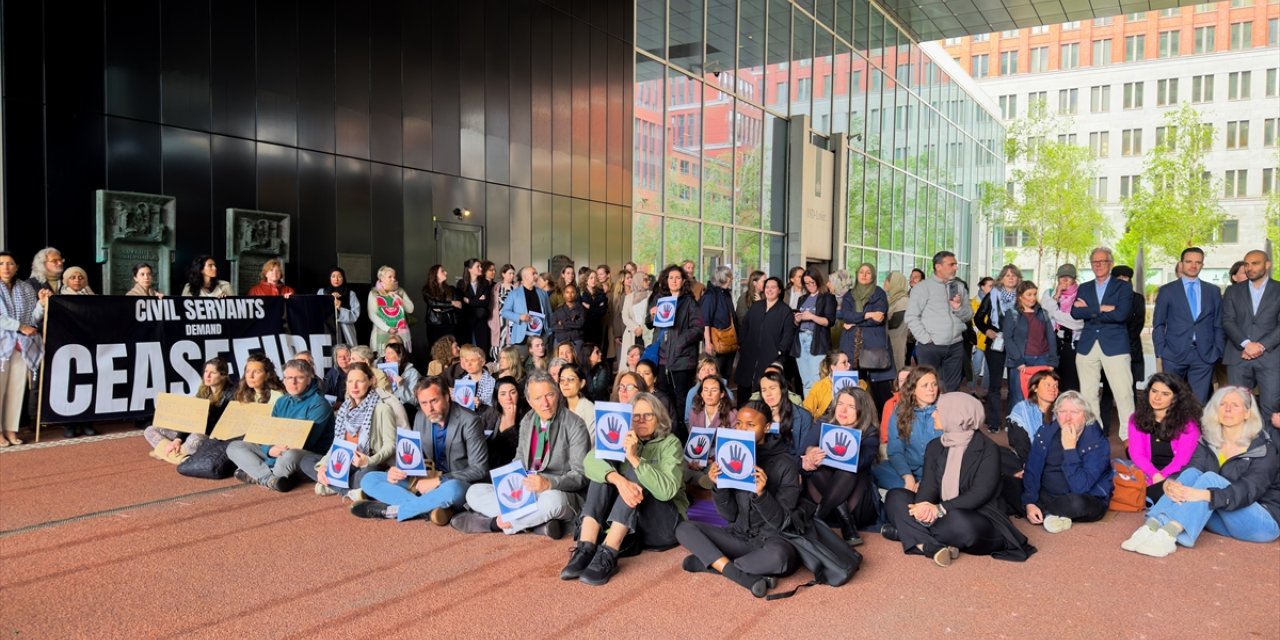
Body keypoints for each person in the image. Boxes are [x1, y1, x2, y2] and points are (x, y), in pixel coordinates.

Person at [1122, 386, 1280, 557]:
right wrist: (1171, 483)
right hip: (1220, 513)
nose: (1227, 409)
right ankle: (1151, 526)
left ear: (1247, 413)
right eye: (1222, 404)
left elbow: (1248, 491)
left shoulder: (1264, 448)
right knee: (1191, 474)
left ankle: (1169, 533)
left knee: (1210, 478)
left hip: (1261, 522)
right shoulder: (1208, 441)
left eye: (1235, 405)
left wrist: (1204, 495)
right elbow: (1191, 470)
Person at [883, 392, 1036, 566]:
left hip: (977, 515)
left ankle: (907, 533)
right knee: (895, 496)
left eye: (938, 411)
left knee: (960, 524)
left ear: (957, 416)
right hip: (940, 511)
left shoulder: (988, 449)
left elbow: (980, 493)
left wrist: (939, 509)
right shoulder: (935, 445)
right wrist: (923, 506)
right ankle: (927, 545)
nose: (933, 414)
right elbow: (929, 485)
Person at [560, 392, 687, 585]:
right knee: (603, 473)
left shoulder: (671, 443)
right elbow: (589, 461)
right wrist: (618, 480)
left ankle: (609, 552)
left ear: (659, 418)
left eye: (648, 415)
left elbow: (666, 491)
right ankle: (586, 547)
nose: (641, 420)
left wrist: (635, 459)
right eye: (636, 416)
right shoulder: (621, 436)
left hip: (663, 524)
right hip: (632, 525)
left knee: (639, 472)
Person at [674, 404, 798, 598]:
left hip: (771, 541)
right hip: (738, 536)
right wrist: (718, 485)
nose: (742, 430)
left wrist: (762, 494)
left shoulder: (786, 464)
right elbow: (729, 515)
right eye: (739, 423)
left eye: (750, 425)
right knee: (684, 529)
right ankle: (738, 574)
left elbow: (782, 522)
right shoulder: (729, 455)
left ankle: (713, 563)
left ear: (766, 428)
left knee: (781, 558)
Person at [453, 370, 590, 538]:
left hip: (558, 491)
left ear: (558, 394)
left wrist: (549, 483)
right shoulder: (528, 420)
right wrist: (507, 482)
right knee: (474, 492)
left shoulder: (575, 424)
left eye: (549, 395)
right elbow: (519, 461)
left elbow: (580, 475)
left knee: (554, 502)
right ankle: (536, 524)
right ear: (530, 401)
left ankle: (496, 524)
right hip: (527, 490)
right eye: (538, 398)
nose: (545, 403)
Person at [354, 376, 489, 525]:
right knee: (370, 479)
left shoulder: (470, 421)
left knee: (453, 489)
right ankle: (430, 509)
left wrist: (439, 481)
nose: (429, 408)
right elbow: (416, 457)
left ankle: (394, 511)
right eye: (424, 403)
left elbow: (479, 469)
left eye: (434, 401)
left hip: (454, 482)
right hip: (424, 480)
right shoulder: (420, 417)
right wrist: (399, 469)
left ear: (447, 397)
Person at [226, 359, 335, 492]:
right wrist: (269, 450)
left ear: (309, 379)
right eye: (288, 378)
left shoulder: (319, 404)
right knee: (235, 446)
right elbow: (270, 434)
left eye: (299, 378)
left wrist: (274, 453)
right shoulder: (281, 401)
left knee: (290, 455)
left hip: (304, 452)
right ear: (283, 380)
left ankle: (260, 475)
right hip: (278, 450)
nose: (293, 382)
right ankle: (270, 479)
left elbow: (307, 442)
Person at [1020, 390, 1114, 533]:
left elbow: (1081, 486)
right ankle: (1046, 513)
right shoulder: (1045, 432)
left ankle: (1046, 512)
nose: (1068, 417)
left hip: (1084, 497)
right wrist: (1029, 502)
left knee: (1076, 503)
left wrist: (1070, 449)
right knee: (1006, 484)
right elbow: (1033, 469)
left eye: (1075, 412)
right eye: (1062, 411)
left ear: (1085, 416)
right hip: (1047, 494)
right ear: (1056, 415)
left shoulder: (1097, 442)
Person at [802, 387, 880, 545]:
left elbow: (861, 462)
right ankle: (846, 522)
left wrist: (845, 437)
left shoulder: (870, 433)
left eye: (851, 407)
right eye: (840, 404)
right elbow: (799, 456)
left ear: (862, 410)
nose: (843, 410)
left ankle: (817, 519)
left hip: (857, 506)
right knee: (818, 469)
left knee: (848, 468)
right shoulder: (823, 423)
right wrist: (810, 454)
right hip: (823, 499)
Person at [1070, 247, 1134, 436]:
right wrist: (1102, 309)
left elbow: (1122, 314)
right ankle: (1093, 434)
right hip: (1087, 346)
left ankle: (1128, 437)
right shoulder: (1084, 287)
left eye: (1102, 261)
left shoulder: (1123, 286)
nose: (1098, 265)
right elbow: (1075, 312)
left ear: (1110, 263)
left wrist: (1089, 310)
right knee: (1088, 395)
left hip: (1115, 345)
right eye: (1094, 262)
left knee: (1123, 394)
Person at [307, 362, 396, 497]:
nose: (354, 386)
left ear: (371, 381)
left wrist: (368, 461)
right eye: (350, 381)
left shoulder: (382, 409)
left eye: (359, 381)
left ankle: (335, 485)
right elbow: (336, 445)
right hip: (344, 460)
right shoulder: (344, 409)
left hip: (368, 462)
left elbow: (391, 445)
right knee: (306, 461)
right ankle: (348, 490)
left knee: (367, 475)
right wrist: (323, 466)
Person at [1152, 249, 1222, 404]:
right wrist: (1161, 351)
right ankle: (1172, 429)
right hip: (1173, 355)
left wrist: (1217, 351)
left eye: (1198, 262)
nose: (1193, 265)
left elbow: (1218, 324)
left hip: (1204, 356)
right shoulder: (1167, 291)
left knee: (1198, 403)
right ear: (1181, 263)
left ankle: (1193, 429)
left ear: (1202, 265)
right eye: (1189, 261)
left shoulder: (1213, 291)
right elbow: (1158, 324)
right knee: (1171, 401)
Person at [645, 265, 704, 434]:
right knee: (664, 399)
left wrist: (680, 340)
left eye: (678, 278)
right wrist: (652, 315)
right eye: (671, 278)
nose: (674, 281)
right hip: (662, 358)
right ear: (666, 280)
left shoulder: (690, 302)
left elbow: (698, 329)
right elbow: (649, 324)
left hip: (682, 360)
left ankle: (682, 437)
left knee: (681, 401)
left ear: (684, 280)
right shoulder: (659, 298)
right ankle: (666, 434)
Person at [1221, 249, 1279, 421]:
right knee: (1238, 407)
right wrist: (1247, 344)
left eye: (1255, 263)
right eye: (1246, 264)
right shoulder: (1232, 291)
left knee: (1271, 407)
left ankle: (1271, 447)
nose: (1249, 268)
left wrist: (1260, 346)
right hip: (1239, 357)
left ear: (1267, 265)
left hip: (1271, 357)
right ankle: (1242, 447)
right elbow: (1227, 321)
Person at [1127, 372, 1203, 503]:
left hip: (1177, 473)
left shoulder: (1188, 424)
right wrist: (1154, 475)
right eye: (1154, 391)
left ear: (1175, 398)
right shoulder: (1136, 419)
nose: (1157, 397)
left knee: (1153, 495)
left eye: (1165, 394)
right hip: (1147, 472)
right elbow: (1137, 454)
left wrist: (1161, 477)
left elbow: (1182, 461)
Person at [905, 251, 972, 392]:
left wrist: (958, 308)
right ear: (938, 267)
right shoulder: (922, 287)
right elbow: (911, 316)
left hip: (955, 345)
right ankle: (929, 414)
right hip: (930, 347)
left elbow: (968, 316)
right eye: (951, 264)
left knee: (952, 389)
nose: (955, 268)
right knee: (928, 387)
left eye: (956, 264)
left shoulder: (958, 287)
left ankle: (947, 414)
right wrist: (926, 339)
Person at [143, 358, 234, 460]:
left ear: (223, 375)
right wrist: (178, 439)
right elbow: (190, 421)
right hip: (192, 429)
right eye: (206, 371)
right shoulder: (203, 391)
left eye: (212, 373)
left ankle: (167, 453)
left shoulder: (231, 394)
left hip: (209, 435)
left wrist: (208, 412)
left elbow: (221, 426)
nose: (207, 376)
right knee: (150, 430)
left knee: (194, 440)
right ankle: (176, 454)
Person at [873, 366, 942, 492]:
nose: (931, 389)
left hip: (938, 472)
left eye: (934, 384)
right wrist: (908, 477)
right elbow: (895, 450)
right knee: (875, 469)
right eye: (925, 385)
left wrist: (926, 482)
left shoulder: (944, 410)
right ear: (913, 389)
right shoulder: (899, 412)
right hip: (907, 469)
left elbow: (949, 454)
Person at [841, 263, 895, 411]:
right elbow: (845, 315)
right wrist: (867, 314)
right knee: (852, 390)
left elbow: (878, 319)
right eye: (861, 272)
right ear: (857, 275)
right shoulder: (849, 295)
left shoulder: (879, 293)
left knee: (881, 392)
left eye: (868, 273)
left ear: (873, 276)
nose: (864, 275)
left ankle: (883, 424)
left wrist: (854, 322)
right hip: (851, 347)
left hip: (874, 347)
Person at [974, 265, 1021, 432]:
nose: (1010, 278)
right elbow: (978, 317)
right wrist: (987, 330)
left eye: (1014, 275)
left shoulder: (1023, 296)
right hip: (996, 342)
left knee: (1015, 385)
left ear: (1018, 278)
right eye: (1007, 275)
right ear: (1001, 278)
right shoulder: (993, 294)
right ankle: (993, 421)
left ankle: (1013, 421)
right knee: (995, 384)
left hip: (1016, 343)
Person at [0, 252, 40, 446]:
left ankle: (11, 430)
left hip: (21, 345)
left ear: (16, 267)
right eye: (1, 264)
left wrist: (41, 303)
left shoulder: (25, 288)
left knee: (16, 390)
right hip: (2, 345)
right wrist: (19, 326)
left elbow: (34, 318)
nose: (6, 267)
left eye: (10, 263)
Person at [1000, 280, 1058, 409]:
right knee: (1018, 397)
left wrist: (1052, 361)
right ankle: (1016, 427)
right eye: (1029, 294)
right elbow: (1008, 339)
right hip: (1021, 362)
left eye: (1035, 294)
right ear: (1020, 296)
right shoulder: (1012, 314)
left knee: (1041, 397)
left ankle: (1039, 427)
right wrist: (1018, 361)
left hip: (1042, 360)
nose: (1033, 298)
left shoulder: (1043, 313)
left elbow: (1051, 337)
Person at [735, 277, 795, 400]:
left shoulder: (785, 311)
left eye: (773, 287)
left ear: (779, 290)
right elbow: (744, 325)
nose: (770, 290)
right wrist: (742, 343)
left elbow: (788, 335)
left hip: (771, 357)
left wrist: (779, 351)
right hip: (749, 355)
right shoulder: (756, 306)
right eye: (767, 287)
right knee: (743, 388)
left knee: (764, 389)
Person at [792, 269, 836, 396]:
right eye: (806, 283)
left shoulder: (827, 297)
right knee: (805, 382)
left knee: (817, 380)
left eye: (812, 282)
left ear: (818, 281)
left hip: (816, 340)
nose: (810, 285)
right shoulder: (802, 299)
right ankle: (809, 412)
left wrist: (811, 317)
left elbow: (829, 321)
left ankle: (817, 413)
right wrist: (797, 320)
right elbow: (796, 323)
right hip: (800, 339)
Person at [758, 370, 816, 467]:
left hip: (792, 466)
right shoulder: (757, 415)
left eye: (772, 388)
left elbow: (803, 452)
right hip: (764, 465)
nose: (768, 393)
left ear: (782, 389)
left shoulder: (803, 416)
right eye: (764, 390)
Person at [1042, 263, 1083, 393]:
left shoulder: (1082, 294)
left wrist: (1053, 311)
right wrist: (1056, 296)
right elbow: (1045, 316)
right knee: (1051, 382)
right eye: (1062, 277)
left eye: (1068, 277)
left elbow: (1077, 322)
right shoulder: (1049, 293)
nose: (1065, 280)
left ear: (1074, 278)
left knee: (1071, 385)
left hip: (1072, 345)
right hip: (1052, 344)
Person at [501, 266, 552, 361]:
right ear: (525, 277)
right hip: (522, 337)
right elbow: (505, 312)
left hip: (541, 337)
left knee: (542, 367)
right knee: (519, 367)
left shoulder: (543, 293)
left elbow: (550, 313)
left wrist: (549, 332)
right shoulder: (514, 294)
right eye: (533, 273)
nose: (536, 276)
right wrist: (519, 316)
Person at [701, 265, 738, 380]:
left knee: (726, 374)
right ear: (723, 278)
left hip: (729, 341)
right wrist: (707, 343)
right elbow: (705, 321)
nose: (731, 279)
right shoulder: (710, 295)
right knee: (715, 375)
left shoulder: (725, 293)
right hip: (716, 342)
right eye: (730, 277)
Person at [368, 265, 414, 353]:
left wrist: (398, 298)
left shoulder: (400, 291)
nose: (393, 279)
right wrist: (387, 328)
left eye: (394, 276)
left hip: (400, 332)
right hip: (382, 331)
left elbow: (411, 309)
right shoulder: (374, 293)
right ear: (381, 278)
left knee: (401, 356)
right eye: (390, 277)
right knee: (383, 358)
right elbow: (372, 315)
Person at [482, 376, 526, 467]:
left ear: (518, 394)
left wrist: (511, 427)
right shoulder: (490, 413)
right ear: (497, 397)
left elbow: (522, 450)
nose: (508, 398)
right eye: (503, 394)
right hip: (488, 464)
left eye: (513, 393)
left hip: (513, 465)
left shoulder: (526, 415)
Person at [803, 351, 854, 420]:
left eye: (848, 362)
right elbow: (807, 410)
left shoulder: (860, 384)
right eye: (844, 363)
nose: (849, 365)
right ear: (833, 367)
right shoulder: (820, 386)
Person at [456, 258, 491, 355]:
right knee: (468, 349)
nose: (481, 268)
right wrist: (478, 300)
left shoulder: (484, 283)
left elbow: (486, 302)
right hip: (467, 321)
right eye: (478, 266)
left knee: (482, 350)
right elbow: (462, 303)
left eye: (480, 266)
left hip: (481, 320)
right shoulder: (461, 284)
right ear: (469, 269)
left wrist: (470, 301)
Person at [319, 267, 361, 346]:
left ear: (343, 278)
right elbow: (317, 311)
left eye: (339, 276)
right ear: (329, 278)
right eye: (333, 276)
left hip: (345, 330)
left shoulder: (350, 293)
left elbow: (355, 315)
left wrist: (339, 308)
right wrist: (329, 300)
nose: (336, 279)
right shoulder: (322, 292)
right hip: (326, 329)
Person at [619, 271, 651, 374]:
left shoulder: (651, 296)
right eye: (645, 280)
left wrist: (642, 328)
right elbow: (625, 316)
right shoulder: (629, 297)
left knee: (645, 360)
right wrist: (636, 327)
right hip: (632, 333)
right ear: (638, 281)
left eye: (648, 279)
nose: (648, 282)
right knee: (631, 363)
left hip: (647, 333)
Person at [422, 264, 461, 350]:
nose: (446, 273)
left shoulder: (451, 289)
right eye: (442, 271)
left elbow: (458, 306)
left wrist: (441, 308)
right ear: (435, 274)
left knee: (451, 349)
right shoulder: (427, 290)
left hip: (450, 323)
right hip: (435, 324)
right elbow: (433, 304)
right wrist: (451, 303)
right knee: (436, 349)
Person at [558, 363, 596, 437]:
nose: (565, 383)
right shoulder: (558, 407)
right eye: (562, 380)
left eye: (571, 379)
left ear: (582, 383)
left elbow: (589, 442)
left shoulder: (590, 409)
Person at [489, 264, 517, 359]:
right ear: (503, 274)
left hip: (510, 319)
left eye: (513, 273)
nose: (512, 276)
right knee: (498, 341)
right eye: (510, 273)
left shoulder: (515, 288)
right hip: (498, 319)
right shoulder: (496, 287)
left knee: (509, 341)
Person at [884, 271, 910, 369]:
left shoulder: (903, 301)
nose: (884, 282)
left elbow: (894, 323)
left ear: (895, 283)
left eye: (887, 280)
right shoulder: (893, 299)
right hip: (890, 341)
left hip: (897, 343)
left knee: (897, 368)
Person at [457, 344, 496, 408]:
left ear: (482, 362)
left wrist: (481, 404)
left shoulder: (492, 382)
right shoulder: (462, 381)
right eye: (466, 361)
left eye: (473, 360)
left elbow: (493, 407)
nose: (469, 364)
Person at [383, 343, 421, 407]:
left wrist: (401, 386)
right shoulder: (384, 373)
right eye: (385, 353)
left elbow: (415, 401)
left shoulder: (413, 373)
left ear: (400, 356)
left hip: (408, 410)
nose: (385, 357)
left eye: (389, 353)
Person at [579, 269, 608, 350]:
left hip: (598, 327)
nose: (593, 280)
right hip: (586, 328)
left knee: (597, 349)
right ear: (586, 280)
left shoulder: (601, 294)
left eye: (595, 278)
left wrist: (590, 307)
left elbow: (602, 312)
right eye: (591, 278)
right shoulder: (582, 295)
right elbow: (582, 312)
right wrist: (597, 307)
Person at [550, 283, 586, 347]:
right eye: (567, 292)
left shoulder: (581, 309)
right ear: (563, 295)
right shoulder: (558, 310)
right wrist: (572, 324)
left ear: (576, 295)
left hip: (576, 339)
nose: (570, 295)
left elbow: (580, 324)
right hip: (561, 339)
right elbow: (553, 326)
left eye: (572, 292)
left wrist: (563, 323)